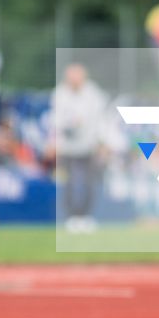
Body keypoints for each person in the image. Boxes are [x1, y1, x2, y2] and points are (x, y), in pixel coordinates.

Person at [50, 62, 111, 232]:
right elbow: (55, 120)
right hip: (68, 147)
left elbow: (101, 119)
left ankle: (86, 216)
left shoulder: (93, 94)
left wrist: (103, 142)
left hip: (88, 145)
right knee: (69, 182)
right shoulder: (60, 94)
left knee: (89, 182)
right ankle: (71, 217)